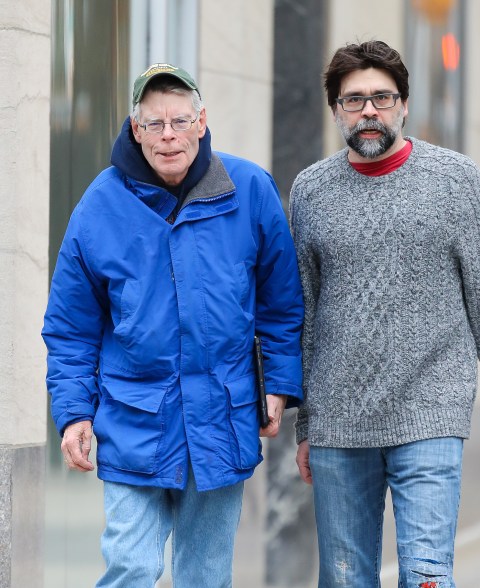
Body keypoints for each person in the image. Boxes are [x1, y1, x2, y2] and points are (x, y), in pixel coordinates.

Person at [43, 63, 303, 587]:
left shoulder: (249, 190)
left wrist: (278, 384)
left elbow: (282, 304)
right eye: (154, 124)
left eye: (180, 122)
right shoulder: (100, 205)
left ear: (202, 122)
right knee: (132, 566)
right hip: (132, 420)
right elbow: (71, 327)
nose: (168, 136)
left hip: (221, 421)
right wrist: (74, 413)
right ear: (135, 130)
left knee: (204, 576)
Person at [291, 40, 480, 588]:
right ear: (335, 111)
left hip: (430, 413)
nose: (368, 111)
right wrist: (307, 422)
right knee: (345, 579)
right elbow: (303, 310)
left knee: (426, 577)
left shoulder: (456, 181)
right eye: (354, 101)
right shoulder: (310, 191)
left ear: (403, 105)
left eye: (381, 97)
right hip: (338, 422)